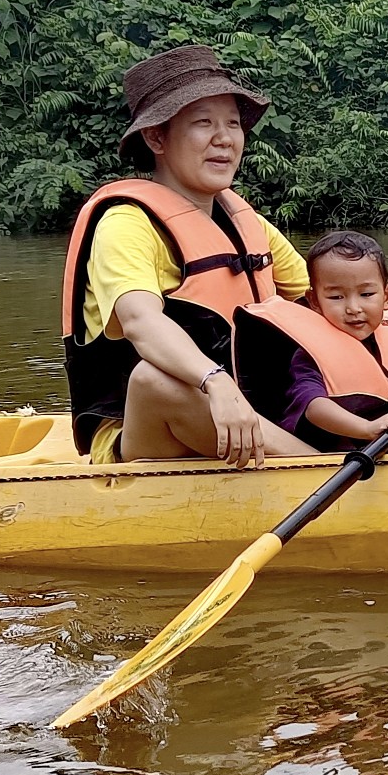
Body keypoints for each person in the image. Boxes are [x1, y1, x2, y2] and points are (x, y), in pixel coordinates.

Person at [61, 46, 316, 466]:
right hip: (148, 431)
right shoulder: (126, 224)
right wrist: (215, 382)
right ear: (156, 137)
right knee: (154, 381)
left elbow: (329, 304)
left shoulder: (241, 220)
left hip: (249, 414)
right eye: (203, 123)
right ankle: (317, 471)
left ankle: (335, 455)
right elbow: (141, 322)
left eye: (233, 123)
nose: (225, 138)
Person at [231, 231, 388, 453]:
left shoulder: (387, 348)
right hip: (334, 460)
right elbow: (313, 408)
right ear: (315, 301)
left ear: (387, 296)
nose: (353, 308)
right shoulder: (308, 354)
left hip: (382, 453)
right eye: (336, 297)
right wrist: (368, 428)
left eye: (366, 294)